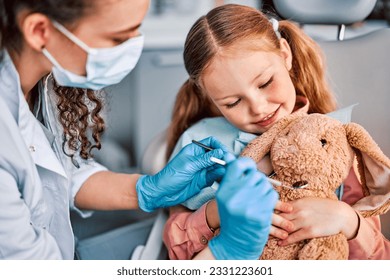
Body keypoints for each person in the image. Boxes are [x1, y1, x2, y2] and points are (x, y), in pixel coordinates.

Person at [0, 0, 277, 260]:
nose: (131, 48)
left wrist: (147, 189)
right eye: (118, 39)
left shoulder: (44, 82)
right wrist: (226, 253)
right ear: (39, 31)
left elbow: (62, 176)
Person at [163, 4, 390, 260]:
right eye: (233, 103)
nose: (259, 108)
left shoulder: (332, 140)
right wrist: (215, 213)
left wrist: (347, 220)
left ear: (284, 55)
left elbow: (380, 260)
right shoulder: (199, 146)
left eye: (265, 83)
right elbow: (176, 246)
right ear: (211, 98)